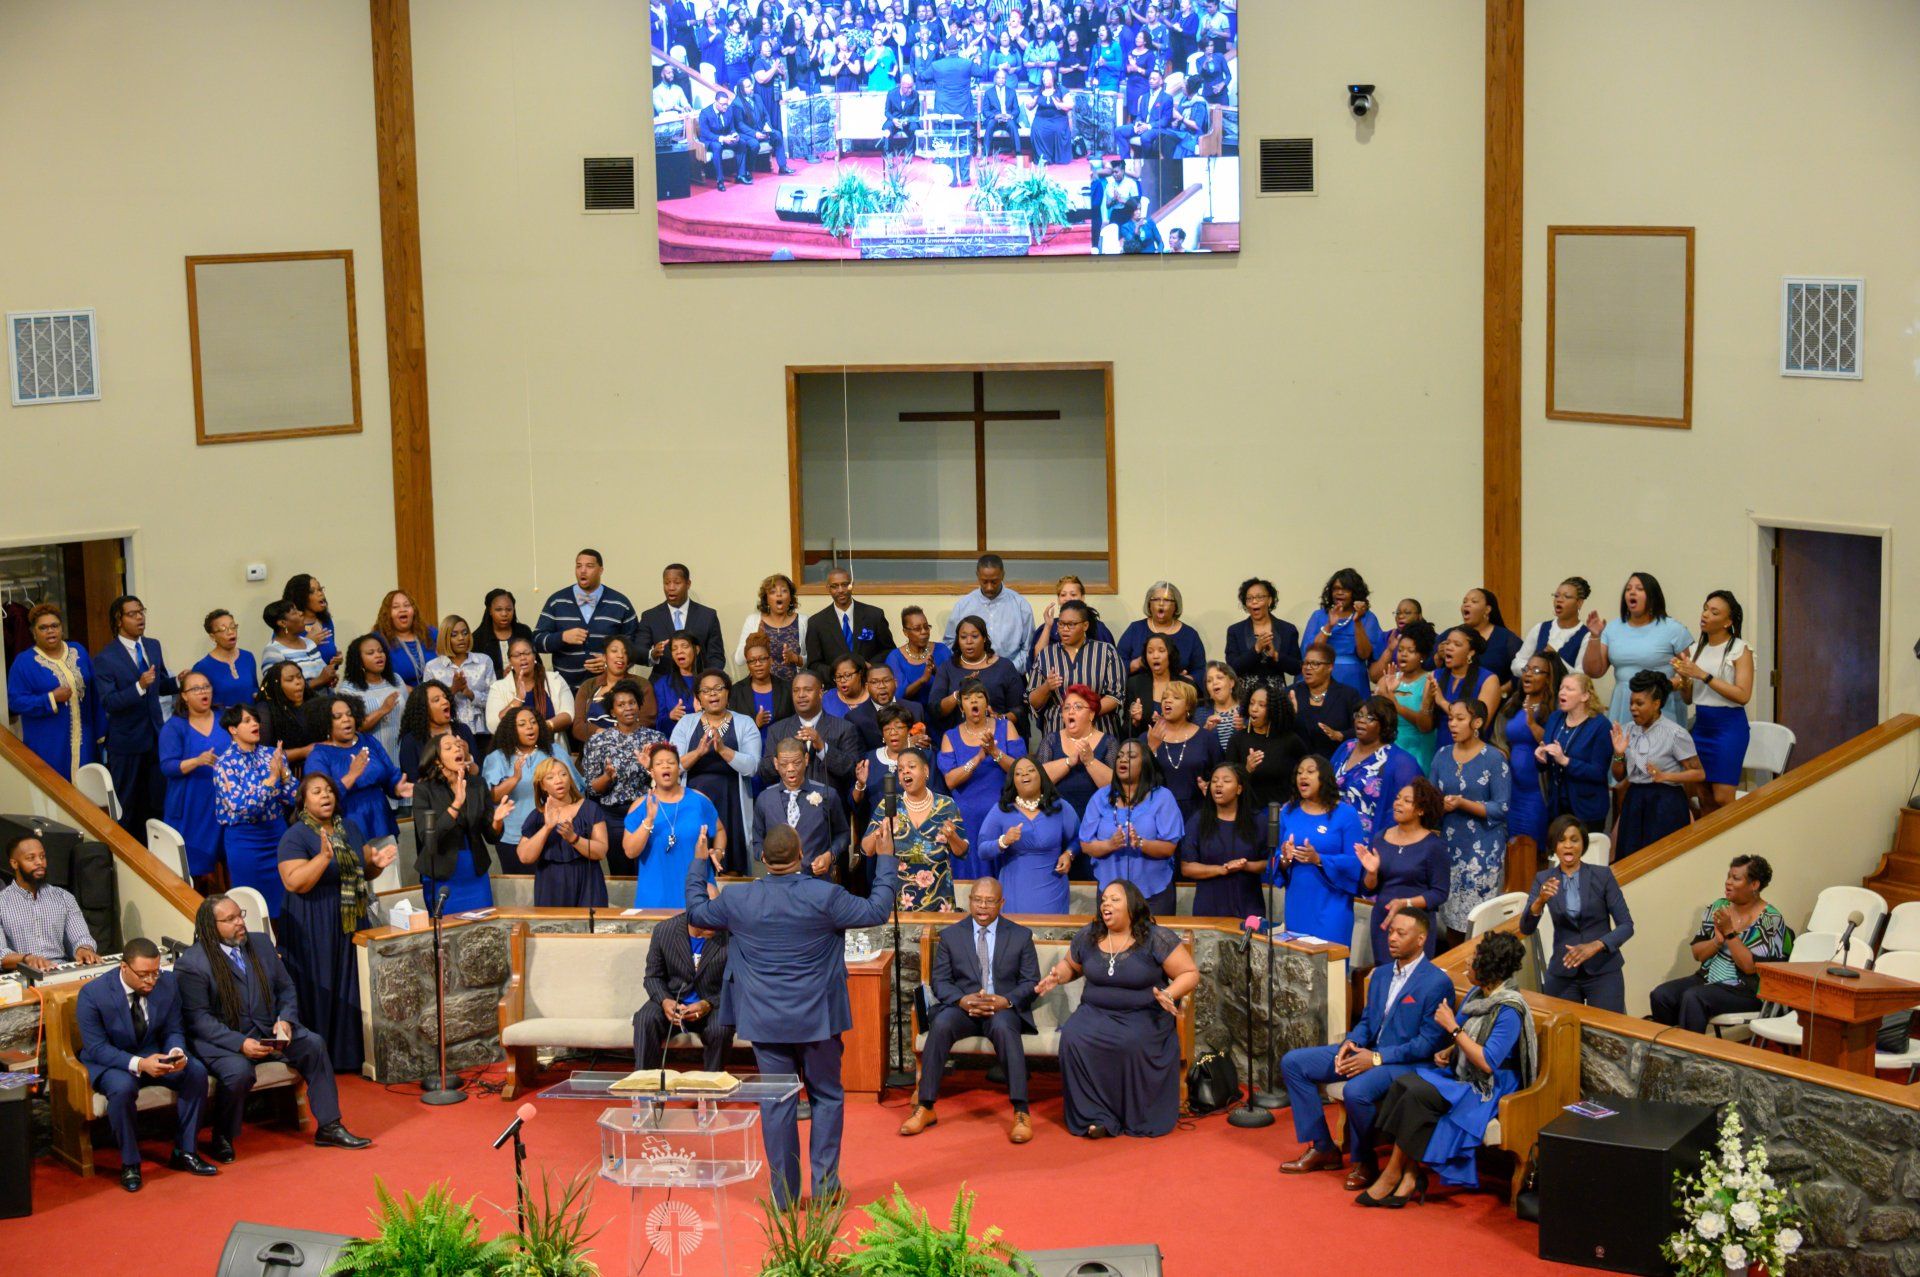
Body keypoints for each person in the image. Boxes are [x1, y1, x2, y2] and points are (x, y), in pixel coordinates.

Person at [685, 823, 896, 1206]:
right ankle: (826, 1189)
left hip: (765, 1021)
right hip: (819, 1019)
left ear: (763, 859)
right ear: (801, 855)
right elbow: (878, 909)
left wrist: (700, 864)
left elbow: (697, 912)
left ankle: (784, 1195)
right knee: (826, 1097)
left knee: (777, 1102)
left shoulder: (738, 899)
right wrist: (885, 858)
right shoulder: (826, 895)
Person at [176, 893, 369, 1162]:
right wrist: (240, 1043)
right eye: (230, 919)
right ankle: (222, 1135)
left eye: (240, 915)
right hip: (224, 1041)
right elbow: (199, 1019)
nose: (239, 922)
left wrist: (286, 1019)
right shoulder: (192, 964)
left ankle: (329, 1126)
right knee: (238, 1072)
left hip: (269, 1030)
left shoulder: (261, 943)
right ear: (211, 926)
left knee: (313, 1044)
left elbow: (286, 988)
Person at [1278, 908, 1453, 1188]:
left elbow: (1427, 1043)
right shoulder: (1380, 974)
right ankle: (1323, 1147)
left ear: (1421, 939)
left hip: (1406, 1063)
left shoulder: (1436, 982)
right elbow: (1368, 1021)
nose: (1392, 938)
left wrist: (1376, 1058)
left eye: (1401, 933)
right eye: (1391, 931)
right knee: (1294, 1063)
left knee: (1356, 1091)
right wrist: (1352, 1043)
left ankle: (1365, 1159)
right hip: (1369, 1050)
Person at [1364, 931, 1534, 1203]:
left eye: (1474, 958)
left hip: (1490, 1086)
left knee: (1417, 1094)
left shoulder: (1509, 1009)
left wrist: (1453, 1029)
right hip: (1464, 1073)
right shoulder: (1478, 994)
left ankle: (1394, 1174)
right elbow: (1470, 1039)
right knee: (1403, 1084)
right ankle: (1409, 1174)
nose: (1467, 961)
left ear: (1488, 967)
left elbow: (1489, 1061)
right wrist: (1451, 1050)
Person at [1037, 879, 1198, 1138]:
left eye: (1114, 899)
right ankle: (1095, 1115)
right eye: (1104, 900)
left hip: (1143, 1014)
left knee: (1131, 1041)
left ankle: (1133, 1114)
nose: (1106, 905)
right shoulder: (1089, 935)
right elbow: (1071, 966)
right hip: (1095, 1012)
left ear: (1132, 906)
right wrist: (1058, 976)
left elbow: (1189, 973)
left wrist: (1169, 993)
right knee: (1073, 1037)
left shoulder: (1155, 937)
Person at [900, 877, 1041, 1143]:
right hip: (963, 1008)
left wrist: (1005, 1001)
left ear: (1001, 903)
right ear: (970, 901)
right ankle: (925, 1106)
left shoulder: (1020, 936)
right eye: (977, 900)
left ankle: (1021, 1111)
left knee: (1004, 1027)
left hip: (1001, 1008)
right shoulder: (952, 936)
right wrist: (962, 1000)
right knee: (942, 1024)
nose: (982, 906)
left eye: (989, 901)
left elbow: (1031, 982)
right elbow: (940, 981)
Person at [74, 939, 214, 1191]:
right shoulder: (93, 994)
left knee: (195, 1071)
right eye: (143, 975)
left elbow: (173, 1028)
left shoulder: (168, 983)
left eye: (155, 973)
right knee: (122, 1088)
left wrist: (175, 1052)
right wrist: (139, 1064)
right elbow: (97, 1048)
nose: (151, 981)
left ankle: (185, 1151)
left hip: (153, 1053)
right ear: (123, 967)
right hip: (113, 1061)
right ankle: (130, 1163)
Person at [275, 774, 392, 1070]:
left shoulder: (349, 827)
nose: (325, 795)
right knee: (323, 987)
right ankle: (318, 1056)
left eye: (329, 790)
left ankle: (350, 1056)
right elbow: (294, 882)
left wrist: (376, 866)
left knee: (352, 986)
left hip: (351, 919)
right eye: (316, 792)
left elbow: (361, 871)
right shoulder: (295, 836)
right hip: (314, 922)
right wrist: (323, 858)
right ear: (304, 801)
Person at [1650, 855, 1791, 1033]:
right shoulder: (1719, 907)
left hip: (1747, 989)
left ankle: (1689, 1050)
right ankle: (1670, 1047)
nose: (1728, 882)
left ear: (1754, 885)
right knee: (1661, 995)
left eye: (1736, 878)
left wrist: (1730, 932)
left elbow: (1750, 968)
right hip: (1707, 978)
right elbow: (1697, 954)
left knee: (1694, 997)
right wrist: (1717, 940)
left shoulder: (1771, 919)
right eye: (1728, 876)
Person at [1520, 816, 1633, 1011]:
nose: (1568, 846)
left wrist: (1596, 945)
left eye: (1574, 840)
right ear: (1554, 845)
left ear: (1583, 844)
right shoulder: (1543, 879)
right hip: (1563, 972)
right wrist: (1539, 901)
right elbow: (1526, 928)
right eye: (1562, 840)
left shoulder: (1602, 876)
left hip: (1603, 970)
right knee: (1561, 1028)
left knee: (1606, 1029)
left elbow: (1626, 926)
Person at [95, 594, 177, 834]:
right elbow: (109, 702)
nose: (140, 618)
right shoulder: (105, 658)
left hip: (156, 738)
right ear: (119, 620)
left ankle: (155, 852)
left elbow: (159, 685)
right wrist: (139, 687)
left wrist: (178, 682)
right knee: (128, 807)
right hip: (127, 743)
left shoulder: (153, 645)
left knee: (157, 803)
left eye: (142, 612)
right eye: (133, 614)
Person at [1429, 700, 1510, 942]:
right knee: (1450, 919)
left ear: (1477, 723)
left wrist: (1463, 804)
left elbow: (1502, 807)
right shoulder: (1442, 755)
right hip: (1450, 847)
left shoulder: (1494, 758)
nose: (1452, 724)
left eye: (1460, 719)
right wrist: (1438, 805)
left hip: (1482, 851)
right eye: (1450, 718)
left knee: (1476, 923)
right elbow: (1430, 798)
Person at [671, 669, 763, 871]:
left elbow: (752, 767)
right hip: (694, 802)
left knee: (732, 867)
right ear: (698, 698)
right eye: (705, 690)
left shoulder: (745, 722)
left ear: (728, 692)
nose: (712, 694)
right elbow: (672, 767)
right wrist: (698, 753)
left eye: (718, 688)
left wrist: (723, 750)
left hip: (732, 803)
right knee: (693, 866)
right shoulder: (686, 723)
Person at [1078, 740, 1184, 915]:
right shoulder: (1100, 797)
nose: (1123, 760)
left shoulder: (1162, 797)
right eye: (1119, 756)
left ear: (1145, 763)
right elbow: (1086, 844)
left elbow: (1169, 847)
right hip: (1109, 894)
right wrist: (1110, 844)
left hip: (1153, 894)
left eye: (1131, 756)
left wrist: (1141, 843)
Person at [1673, 590, 1754, 815]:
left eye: (1714, 612)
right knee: (1703, 795)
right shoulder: (1697, 650)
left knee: (1723, 797)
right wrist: (1684, 680)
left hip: (1728, 728)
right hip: (1702, 726)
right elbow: (1688, 698)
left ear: (1728, 622)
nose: (1706, 614)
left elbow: (1743, 695)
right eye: (1705, 609)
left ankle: (1737, 836)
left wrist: (1702, 675)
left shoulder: (1740, 650)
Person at [305, 695, 412, 862]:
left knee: (390, 876)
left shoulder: (368, 740)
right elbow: (319, 800)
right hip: (346, 829)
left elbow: (390, 774)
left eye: (349, 714)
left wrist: (397, 787)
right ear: (326, 723)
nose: (346, 719)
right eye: (338, 717)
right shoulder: (318, 755)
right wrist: (352, 775)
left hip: (380, 821)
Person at [213, 707, 299, 915]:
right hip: (245, 841)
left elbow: (294, 797)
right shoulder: (224, 763)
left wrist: (284, 774)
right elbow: (243, 808)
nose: (255, 724)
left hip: (277, 835)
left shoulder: (272, 754)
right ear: (233, 729)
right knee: (252, 905)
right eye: (247, 720)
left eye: (256, 720)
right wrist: (271, 779)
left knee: (287, 903)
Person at [1610, 671, 1704, 859]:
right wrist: (1619, 754)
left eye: (1639, 703)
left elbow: (1699, 773)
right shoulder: (1628, 730)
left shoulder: (1675, 733)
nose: (1633, 708)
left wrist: (1666, 776)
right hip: (1635, 799)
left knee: (1662, 859)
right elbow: (1619, 776)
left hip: (1665, 801)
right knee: (1630, 858)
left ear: (1656, 704)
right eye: (1631, 703)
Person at [1274, 756, 1365, 943]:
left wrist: (1319, 859)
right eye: (1299, 772)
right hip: (1298, 903)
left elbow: (1355, 863)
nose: (1302, 776)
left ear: (1324, 777)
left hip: (1332, 906)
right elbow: (1276, 859)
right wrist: (1285, 859)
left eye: (1310, 771)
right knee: (1297, 958)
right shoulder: (1288, 812)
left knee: (1329, 958)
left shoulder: (1346, 814)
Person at [1583, 571, 1693, 727]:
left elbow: (1688, 674)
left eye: (1639, 589)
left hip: (1660, 704)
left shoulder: (1673, 629)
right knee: (1623, 743)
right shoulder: (1612, 628)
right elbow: (1594, 671)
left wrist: (1666, 685)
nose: (1632, 592)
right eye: (1628, 589)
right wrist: (1595, 636)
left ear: (1653, 596)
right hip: (1624, 702)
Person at [939, 679, 1027, 873]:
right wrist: (979, 757)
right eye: (967, 698)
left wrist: (994, 752)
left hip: (1004, 810)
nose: (974, 701)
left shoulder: (1006, 727)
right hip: (967, 816)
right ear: (961, 707)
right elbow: (951, 780)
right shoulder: (950, 736)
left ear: (987, 704)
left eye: (979, 696)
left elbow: (1020, 770)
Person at [859, 748, 964, 910]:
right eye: (900, 769)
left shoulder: (946, 805)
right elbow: (866, 850)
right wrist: (881, 829)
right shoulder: (889, 805)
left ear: (926, 771)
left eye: (911, 766)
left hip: (939, 898)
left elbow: (962, 851)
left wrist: (952, 837)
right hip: (898, 899)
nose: (905, 771)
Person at [1358, 781, 1450, 964]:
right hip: (1384, 922)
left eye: (1407, 801)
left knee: (1412, 979)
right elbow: (1367, 889)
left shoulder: (1434, 846)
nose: (1398, 803)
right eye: (1397, 798)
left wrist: (1406, 903)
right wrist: (1372, 873)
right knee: (1385, 975)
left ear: (1421, 810)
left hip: (1415, 924)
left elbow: (1439, 893)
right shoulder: (1380, 838)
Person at [633, 909, 733, 1073]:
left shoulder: (731, 933)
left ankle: (712, 1084)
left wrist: (708, 1003)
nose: (716, 920)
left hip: (712, 1004)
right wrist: (665, 1000)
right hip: (673, 1001)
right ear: (693, 911)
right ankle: (645, 1084)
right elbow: (653, 977)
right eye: (709, 914)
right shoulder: (664, 931)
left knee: (721, 1028)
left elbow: (738, 982)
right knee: (645, 1018)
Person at [486, 703, 581, 876]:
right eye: (522, 724)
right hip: (513, 837)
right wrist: (515, 779)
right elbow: (491, 797)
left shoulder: (554, 751)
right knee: (521, 890)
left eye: (533, 722)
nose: (530, 727)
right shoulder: (498, 757)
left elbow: (576, 789)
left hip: (556, 833)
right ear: (511, 730)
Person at [8, 604, 98, 782]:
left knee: (87, 790)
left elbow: (95, 693)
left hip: (85, 741)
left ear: (61, 628)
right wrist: (51, 698)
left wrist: (101, 734)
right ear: (33, 632)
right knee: (54, 790)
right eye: (43, 628)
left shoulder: (78, 651)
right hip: (48, 744)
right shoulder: (24, 662)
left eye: (54, 626)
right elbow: (15, 702)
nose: (50, 631)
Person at [625, 744, 723, 909]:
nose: (665, 766)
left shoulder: (699, 800)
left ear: (679, 769)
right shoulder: (641, 806)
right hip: (655, 897)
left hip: (698, 894)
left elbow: (719, 830)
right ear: (652, 771)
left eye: (671, 762)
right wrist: (649, 820)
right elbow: (630, 851)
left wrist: (718, 852)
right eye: (659, 763)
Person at [158, 672, 231, 887]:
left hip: (224, 803)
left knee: (227, 865)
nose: (203, 692)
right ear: (184, 696)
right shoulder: (174, 727)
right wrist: (197, 761)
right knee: (194, 871)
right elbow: (167, 766)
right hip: (191, 806)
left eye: (206, 686)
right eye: (196, 689)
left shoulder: (225, 719)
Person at [979, 758, 1079, 914]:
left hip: (1053, 891)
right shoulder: (1001, 810)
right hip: (1014, 892)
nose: (1024, 774)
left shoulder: (1060, 807)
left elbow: (1079, 838)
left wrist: (1069, 854)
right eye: (1018, 773)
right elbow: (982, 850)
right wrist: (1003, 841)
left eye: (1030, 770)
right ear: (1013, 781)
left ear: (1041, 776)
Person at [581, 678, 665, 857]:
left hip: (648, 812)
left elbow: (667, 779)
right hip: (614, 817)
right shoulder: (598, 741)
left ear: (639, 705)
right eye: (621, 705)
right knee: (620, 868)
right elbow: (591, 788)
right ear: (612, 711)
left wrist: (649, 767)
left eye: (632, 703)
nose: (628, 708)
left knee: (649, 864)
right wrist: (606, 777)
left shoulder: (656, 738)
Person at [513, 759, 611, 907]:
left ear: (570, 779)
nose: (559, 780)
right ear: (542, 785)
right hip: (550, 884)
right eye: (550, 777)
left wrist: (574, 839)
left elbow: (601, 851)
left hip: (588, 881)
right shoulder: (537, 816)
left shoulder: (590, 809)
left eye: (563, 774)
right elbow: (524, 857)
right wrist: (547, 828)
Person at [413, 733, 494, 912]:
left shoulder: (477, 784)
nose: (457, 748)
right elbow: (429, 838)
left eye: (458, 745)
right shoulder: (424, 790)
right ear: (437, 761)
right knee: (447, 928)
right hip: (442, 876)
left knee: (483, 926)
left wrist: (498, 820)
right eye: (448, 747)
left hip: (475, 873)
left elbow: (491, 836)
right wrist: (456, 804)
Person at [1178, 762, 1268, 918]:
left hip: (1249, 908)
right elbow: (1187, 867)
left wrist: (1245, 866)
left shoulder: (1257, 821)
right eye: (1214, 781)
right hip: (1209, 908)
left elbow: (1270, 863)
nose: (1218, 784)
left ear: (1239, 789)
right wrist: (1222, 869)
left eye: (1226, 781)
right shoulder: (1198, 820)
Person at [0, 833, 100, 970]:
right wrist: (27, 959)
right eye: (31, 858)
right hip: (24, 973)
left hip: (61, 970)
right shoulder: (2, 903)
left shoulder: (64, 897)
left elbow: (81, 937)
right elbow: (1, 954)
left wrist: (84, 949)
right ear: (14, 863)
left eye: (42, 856)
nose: (39, 862)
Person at [754, 737, 851, 878]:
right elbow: (756, 841)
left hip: (816, 879)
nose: (791, 769)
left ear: (806, 759)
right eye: (784, 764)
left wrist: (829, 856)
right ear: (776, 763)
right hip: (778, 882)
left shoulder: (827, 794)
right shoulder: (765, 798)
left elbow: (843, 833)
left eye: (796, 763)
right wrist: (765, 856)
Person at [1495, 651, 1564, 849]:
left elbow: (1553, 745)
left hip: (1537, 791)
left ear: (1549, 678)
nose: (1528, 674)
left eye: (1536, 671)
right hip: (1512, 789)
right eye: (1527, 669)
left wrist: (1532, 724)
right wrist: (1501, 752)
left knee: (1533, 846)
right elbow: (1500, 737)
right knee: (1511, 846)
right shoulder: (1514, 702)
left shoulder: (1556, 709)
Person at [1331, 697, 1424, 842]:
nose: (1361, 721)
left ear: (1385, 724)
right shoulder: (1346, 747)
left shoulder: (1401, 762)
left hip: (1370, 842)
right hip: (1333, 834)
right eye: (1359, 715)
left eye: (1370, 718)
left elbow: (1409, 808)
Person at [1028, 599, 1125, 737]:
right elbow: (1033, 701)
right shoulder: (1046, 655)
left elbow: (1115, 696)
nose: (1065, 629)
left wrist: (1086, 713)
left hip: (1098, 728)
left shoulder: (1106, 652)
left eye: (1071, 624)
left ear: (1085, 625)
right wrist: (1047, 687)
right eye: (1061, 624)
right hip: (1057, 730)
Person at [759, 669, 862, 797]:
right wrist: (789, 748)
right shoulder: (777, 730)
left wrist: (822, 747)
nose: (801, 695)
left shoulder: (844, 728)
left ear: (820, 693)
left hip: (829, 805)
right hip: (789, 806)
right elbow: (765, 774)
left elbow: (851, 771)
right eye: (796, 690)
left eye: (808, 690)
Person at [1035, 685, 1117, 838]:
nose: (1071, 711)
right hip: (1057, 822)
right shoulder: (1051, 740)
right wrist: (1069, 761)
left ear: (1091, 714)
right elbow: (1038, 781)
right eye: (1066, 708)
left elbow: (1115, 788)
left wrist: (1090, 761)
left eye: (1078, 707)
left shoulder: (1109, 743)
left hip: (1097, 822)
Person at [929, 616, 1027, 734]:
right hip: (958, 738)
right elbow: (935, 710)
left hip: (997, 735)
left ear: (984, 638)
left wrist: (1000, 719)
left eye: (975, 636)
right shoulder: (947, 668)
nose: (969, 642)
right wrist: (958, 694)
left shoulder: (1004, 667)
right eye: (963, 637)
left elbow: (1019, 709)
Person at [944, 555, 1036, 675]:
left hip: (1012, 675)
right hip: (970, 677)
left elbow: (1029, 647)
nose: (989, 587)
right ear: (977, 576)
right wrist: (966, 668)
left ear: (1003, 575)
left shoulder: (1020, 605)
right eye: (984, 581)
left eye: (994, 582)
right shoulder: (963, 606)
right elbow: (950, 644)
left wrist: (1009, 670)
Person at [1145, 681, 1221, 827]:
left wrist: (1210, 785)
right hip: (1157, 814)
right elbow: (1139, 779)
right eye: (1165, 697)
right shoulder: (1148, 737)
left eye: (1176, 697)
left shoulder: (1206, 738)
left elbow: (1220, 771)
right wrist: (1151, 749)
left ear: (1188, 706)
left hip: (1198, 814)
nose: (1167, 700)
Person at [806, 567, 897, 684]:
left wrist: (870, 666)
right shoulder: (816, 622)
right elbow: (813, 664)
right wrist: (838, 674)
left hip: (869, 684)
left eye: (845, 585)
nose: (840, 590)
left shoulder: (874, 615)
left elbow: (889, 651)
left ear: (852, 585)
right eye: (834, 586)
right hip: (835, 687)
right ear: (828, 588)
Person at [1228, 680, 1306, 811]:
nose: (1254, 708)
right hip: (1249, 812)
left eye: (1261, 705)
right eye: (1251, 703)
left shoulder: (1289, 740)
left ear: (1273, 710)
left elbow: (1304, 771)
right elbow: (1229, 780)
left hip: (1283, 810)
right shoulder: (1237, 739)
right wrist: (1247, 770)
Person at [1302, 569, 1383, 695]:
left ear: (1355, 592)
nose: (1339, 593)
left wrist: (1357, 622)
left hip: (1354, 678)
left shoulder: (1367, 618)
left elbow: (1364, 654)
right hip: (1322, 675)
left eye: (1345, 589)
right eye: (1336, 589)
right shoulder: (1319, 616)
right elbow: (1311, 651)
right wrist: (1329, 626)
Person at [338, 633, 412, 770]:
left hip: (401, 754)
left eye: (380, 651)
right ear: (359, 660)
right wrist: (382, 710)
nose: (378, 655)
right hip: (371, 759)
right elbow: (353, 726)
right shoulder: (349, 689)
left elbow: (408, 714)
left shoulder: (396, 680)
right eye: (371, 653)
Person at [637, 563, 726, 673]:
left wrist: (707, 680)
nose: (671, 588)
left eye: (677, 583)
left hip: (698, 679)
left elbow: (716, 656)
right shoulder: (650, 617)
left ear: (688, 584)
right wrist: (653, 654)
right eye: (667, 583)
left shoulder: (707, 616)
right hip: (663, 679)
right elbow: (639, 653)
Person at [423, 614, 498, 746]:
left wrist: (470, 693)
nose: (461, 638)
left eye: (465, 633)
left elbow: (495, 701)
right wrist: (452, 690)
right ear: (445, 638)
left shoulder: (484, 661)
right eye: (454, 635)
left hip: (482, 733)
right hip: (448, 734)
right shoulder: (432, 667)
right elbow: (428, 707)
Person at [485, 635, 574, 744]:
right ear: (510, 661)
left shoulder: (555, 680)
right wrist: (518, 699)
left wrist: (541, 728)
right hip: (514, 749)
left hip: (552, 746)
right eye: (517, 655)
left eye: (527, 653)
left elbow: (568, 715)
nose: (523, 658)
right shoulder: (498, 687)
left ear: (534, 656)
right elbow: (494, 726)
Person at [1376, 622, 1439, 771]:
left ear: (1422, 656)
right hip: (1389, 749)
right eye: (1400, 650)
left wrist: (1396, 705)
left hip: (1418, 751)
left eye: (1411, 651)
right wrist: (1383, 695)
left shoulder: (1429, 680)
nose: (1403, 654)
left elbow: (1426, 726)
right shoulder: (1386, 679)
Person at [396, 679, 477, 787]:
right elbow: (413, 782)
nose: (445, 701)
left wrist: (467, 757)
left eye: (445, 697)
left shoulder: (463, 730)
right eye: (436, 700)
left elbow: (477, 774)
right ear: (423, 708)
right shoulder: (411, 740)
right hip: (431, 797)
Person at [1512, 576, 1593, 681]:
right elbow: (1517, 663)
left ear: (1579, 603)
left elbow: (1581, 677)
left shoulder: (1587, 636)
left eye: (1566, 597)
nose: (1559, 600)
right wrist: (1535, 671)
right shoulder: (1540, 628)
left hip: (1565, 690)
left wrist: (1557, 659)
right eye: (1556, 596)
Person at [1289, 642, 1363, 756]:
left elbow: (1360, 728)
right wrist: (1289, 717)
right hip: (1298, 760)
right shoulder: (1291, 693)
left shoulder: (1348, 695)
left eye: (1315, 664)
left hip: (1334, 759)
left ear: (1330, 667)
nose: (1308, 668)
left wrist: (1340, 735)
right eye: (1305, 663)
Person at [1445, 587, 1522, 695]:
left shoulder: (1506, 638)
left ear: (1487, 610)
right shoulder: (1450, 635)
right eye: (1464, 601)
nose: (1467, 605)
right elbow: (1428, 664)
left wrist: (1499, 692)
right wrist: (1438, 656)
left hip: (1494, 701)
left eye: (1474, 601)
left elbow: (1521, 672)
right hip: (1453, 699)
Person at [734, 572, 809, 682]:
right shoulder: (753, 621)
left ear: (790, 597)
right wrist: (754, 639)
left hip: (794, 687)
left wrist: (796, 658)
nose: (779, 595)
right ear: (766, 599)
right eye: (773, 592)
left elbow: (813, 661)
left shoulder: (804, 621)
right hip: (762, 686)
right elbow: (739, 660)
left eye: (784, 591)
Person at [1225, 577, 1301, 682]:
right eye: (1249, 598)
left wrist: (1275, 655)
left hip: (1276, 691)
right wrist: (1256, 649)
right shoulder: (1235, 631)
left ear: (1269, 600)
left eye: (1259, 597)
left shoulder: (1287, 630)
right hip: (1245, 691)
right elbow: (1232, 668)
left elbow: (1297, 668)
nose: (1254, 601)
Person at [1429, 625, 1499, 736]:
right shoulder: (1435, 676)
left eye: (1457, 644)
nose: (1449, 647)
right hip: (1440, 744)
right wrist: (1426, 703)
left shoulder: (1489, 680)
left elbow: (1479, 726)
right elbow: (1424, 727)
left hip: (1471, 745)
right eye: (1447, 643)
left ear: (1471, 652)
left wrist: (1442, 702)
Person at [1122, 633, 1195, 738]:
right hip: (1145, 744)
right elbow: (1125, 731)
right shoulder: (1135, 684)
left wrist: (1168, 722)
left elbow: (1194, 721)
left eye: (1161, 651)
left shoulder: (1186, 685)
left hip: (1180, 741)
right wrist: (1135, 721)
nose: (1155, 656)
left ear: (1170, 654)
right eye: (1150, 652)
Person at [194, 608, 264, 711]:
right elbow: (200, 704)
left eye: (233, 626)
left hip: (249, 718)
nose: (231, 632)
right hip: (222, 720)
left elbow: (254, 688)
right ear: (213, 636)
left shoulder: (248, 657)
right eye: (223, 629)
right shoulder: (202, 667)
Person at [254, 660, 320, 770]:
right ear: (277, 685)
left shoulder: (314, 702)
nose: (298, 682)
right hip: (283, 772)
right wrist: (303, 752)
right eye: (290, 679)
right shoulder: (266, 710)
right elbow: (262, 756)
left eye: (299, 677)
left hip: (318, 767)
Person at [884, 604, 946, 714]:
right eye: (917, 629)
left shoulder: (942, 650)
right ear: (905, 632)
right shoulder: (895, 658)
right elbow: (898, 696)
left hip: (941, 714)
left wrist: (937, 672)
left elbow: (953, 683)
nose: (924, 631)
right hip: (909, 716)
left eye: (926, 627)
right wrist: (923, 680)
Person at [372, 589, 437, 688]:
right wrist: (412, 692)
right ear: (387, 614)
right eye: (395, 607)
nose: (402, 609)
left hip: (436, 693)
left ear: (413, 611)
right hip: (399, 694)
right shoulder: (378, 639)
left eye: (407, 605)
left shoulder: (431, 633)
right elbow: (376, 678)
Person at [260, 599, 331, 689]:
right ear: (283, 623)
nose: (301, 613)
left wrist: (329, 677)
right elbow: (275, 689)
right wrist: (319, 681)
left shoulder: (309, 643)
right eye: (294, 612)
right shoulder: (273, 651)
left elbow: (321, 674)